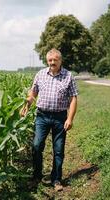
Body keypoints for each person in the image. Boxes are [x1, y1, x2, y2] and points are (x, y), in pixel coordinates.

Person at [20, 48, 78, 192]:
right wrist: (26, 105)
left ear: (60, 61)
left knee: (58, 150)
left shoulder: (68, 76)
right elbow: (33, 92)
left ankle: (56, 179)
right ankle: (37, 176)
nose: (52, 62)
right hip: (42, 116)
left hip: (60, 117)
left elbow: (73, 98)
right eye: (50, 60)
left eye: (55, 60)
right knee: (36, 146)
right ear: (47, 61)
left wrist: (70, 118)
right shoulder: (40, 74)